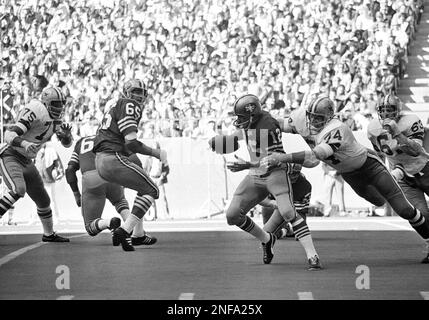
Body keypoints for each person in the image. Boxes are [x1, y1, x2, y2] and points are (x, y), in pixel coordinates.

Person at [261, 95, 429, 263]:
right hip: (349, 174)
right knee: (378, 201)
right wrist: (261, 119)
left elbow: (315, 157)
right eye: (311, 116)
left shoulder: (337, 128)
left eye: (319, 118)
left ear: (329, 117)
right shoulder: (301, 119)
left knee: (405, 210)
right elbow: (278, 124)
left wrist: (282, 158)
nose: (313, 121)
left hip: (370, 167)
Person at [209, 94, 321, 270]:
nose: (239, 120)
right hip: (256, 175)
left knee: (288, 212)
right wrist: (223, 143)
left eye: (242, 117)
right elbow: (240, 136)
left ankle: (312, 254)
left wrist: (246, 165)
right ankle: (267, 240)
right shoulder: (252, 124)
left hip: (274, 173)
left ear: (252, 115)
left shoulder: (267, 126)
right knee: (232, 215)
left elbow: (270, 161)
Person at [93, 79, 168, 251]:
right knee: (152, 190)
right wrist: (157, 153)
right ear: (126, 92)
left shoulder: (114, 105)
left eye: (142, 93)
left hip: (103, 159)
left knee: (144, 189)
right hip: (112, 157)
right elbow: (132, 143)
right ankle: (125, 230)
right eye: (135, 91)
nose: (139, 96)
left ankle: (138, 236)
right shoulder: (129, 105)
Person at [0, 86, 72, 242]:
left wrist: (66, 136)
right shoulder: (36, 110)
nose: (59, 108)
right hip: (10, 155)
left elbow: (66, 143)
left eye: (61, 104)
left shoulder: (55, 120)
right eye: (56, 104)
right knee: (18, 189)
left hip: (26, 160)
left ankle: (49, 234)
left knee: (44, 200)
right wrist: (25, 144)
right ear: (46, 103)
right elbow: (9, 134)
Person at [367, 94, 429, 263]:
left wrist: (398, 134)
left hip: (424, 168)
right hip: (402, 174)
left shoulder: (410, 121)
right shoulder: (373, 128)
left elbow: (416, 150)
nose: (386, 114)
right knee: (418, 214)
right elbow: (380, 153)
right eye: (383, 110)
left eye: (390, 110)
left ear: (398, 110)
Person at [65, 135, 157, 245]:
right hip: (111, 173)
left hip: (91, 179)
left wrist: (76, 194)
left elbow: (70, 170)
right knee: (120, 202)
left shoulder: (81, 142)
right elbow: (135, 160)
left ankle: (109, 223)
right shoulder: (111, 137)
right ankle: (136, 233)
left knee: (90, 227)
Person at [260, 164, 312, 239]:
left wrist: (301, 229)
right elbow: (264, 201)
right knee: (266, 234)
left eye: (296, 173)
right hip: (277, 205)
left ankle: (289, 230)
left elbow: (301, 211)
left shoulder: (304, 186)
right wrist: (272, 203)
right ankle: (285, 230)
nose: (293, 176)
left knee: (300, 234)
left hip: (290, 206)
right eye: (290, 174)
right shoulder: (273, 179)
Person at [36, 138, 64, 223]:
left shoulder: (50, 150)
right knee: (37, 199)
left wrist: (58, 172)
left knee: (50, 198)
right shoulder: (37, 150)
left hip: (48, 178)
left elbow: (57, 162)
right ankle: (35, 218)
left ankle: (55, 217)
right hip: (38, 179)